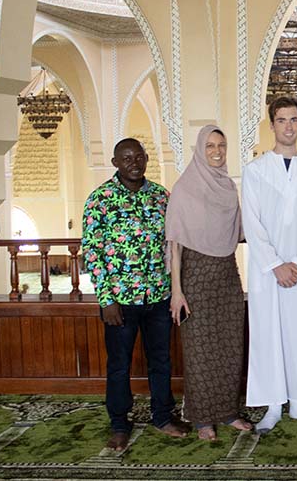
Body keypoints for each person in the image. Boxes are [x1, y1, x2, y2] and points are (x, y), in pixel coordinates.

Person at [82, 138, 189, 452]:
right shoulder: (100, 199)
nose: (133, 163)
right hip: (120, 302)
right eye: (126, 158)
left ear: (146, 159)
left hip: (158, 296)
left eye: (138, 157)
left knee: (161, 360)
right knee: (119, 364)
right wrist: (106, 299)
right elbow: (92, 251)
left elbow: (174, 244)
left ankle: (162, 416)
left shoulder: (160, 197)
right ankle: (119, 423)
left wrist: (174, 290)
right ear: (115, 162)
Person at [243, 96, 297, 432]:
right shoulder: (255, 171)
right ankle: (273, 405)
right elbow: (253, 222)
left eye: (294, 120)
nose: (289, 126)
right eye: (282, 120)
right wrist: (276, 264)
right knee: (268, 334)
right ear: (272, 124)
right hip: (267, 273)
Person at [167, 125, 250, 441]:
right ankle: (202, 419)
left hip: (227, 276)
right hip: (196, 278)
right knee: (200, 351)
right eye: (210, 146)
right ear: (200, 150)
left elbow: (240, 230)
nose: (216, 151)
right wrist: (177, 291)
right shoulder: (185, 188)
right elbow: (174, 244)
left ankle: (228, 413)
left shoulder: (228, 187)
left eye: (222, 145)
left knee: (229, 346)